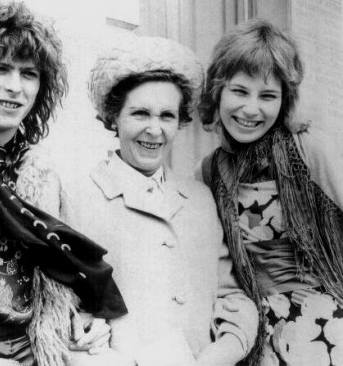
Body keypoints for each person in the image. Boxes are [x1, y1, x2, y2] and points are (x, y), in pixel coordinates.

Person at [0, 2, 128, 365]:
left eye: (28, 74)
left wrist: (83, 326)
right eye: (0, 69)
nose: (15, 87)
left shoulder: (44, 176)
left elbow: (56, 287)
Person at [60, 35, 259, 366]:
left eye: (167, 116)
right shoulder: (78, 198)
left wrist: (217, 356)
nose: (155, 130)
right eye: (140, 113)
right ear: (113, 118)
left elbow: (230, 295)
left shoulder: (199, 198)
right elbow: (65, 316)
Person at [197, 18, 343, 366]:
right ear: (217, 91)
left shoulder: (309, 150)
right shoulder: (209, 171)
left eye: (267, 96)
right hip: (253, 332)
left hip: (324, 328)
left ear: (284, 101)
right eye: (239, 91)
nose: (251, 109)